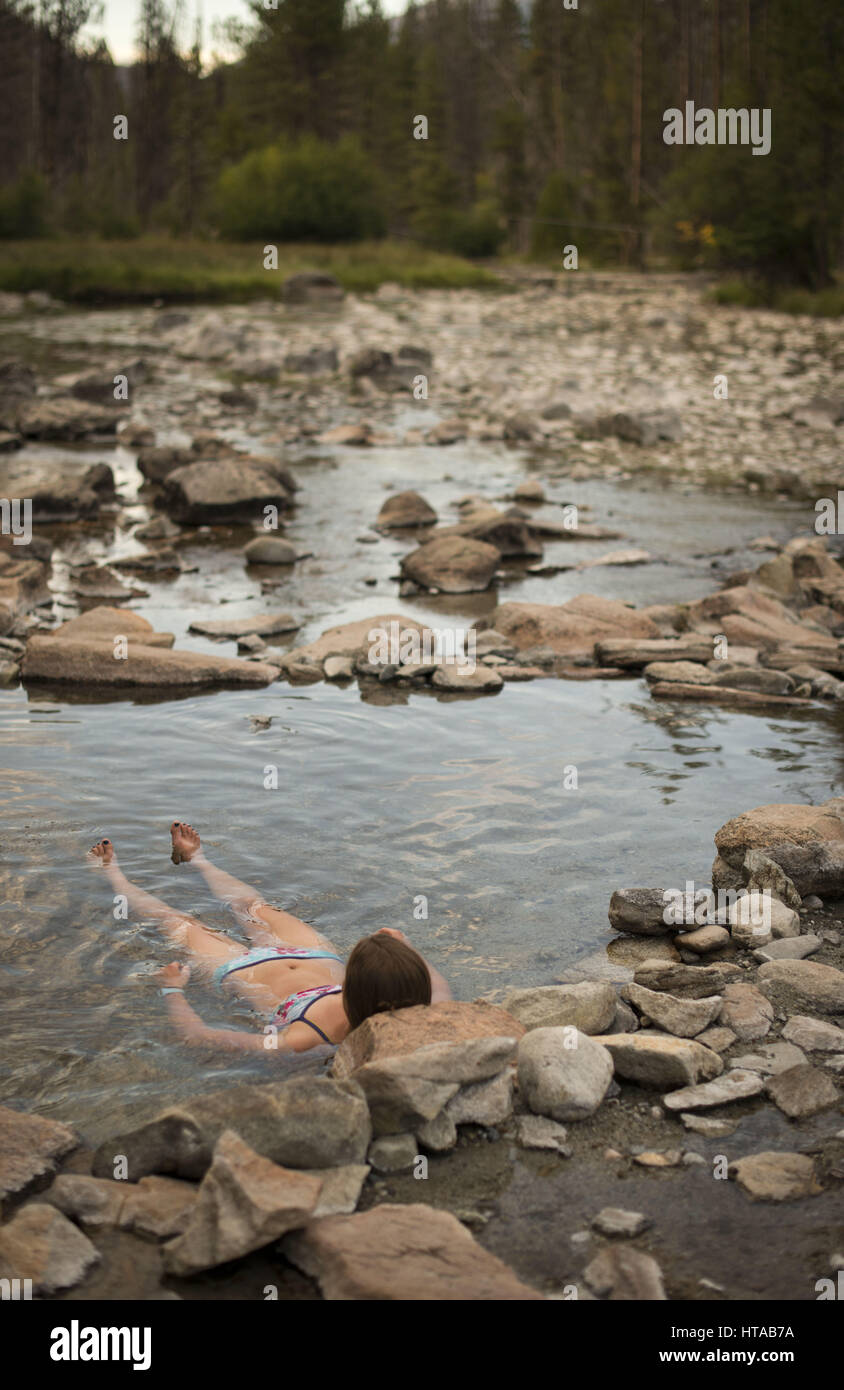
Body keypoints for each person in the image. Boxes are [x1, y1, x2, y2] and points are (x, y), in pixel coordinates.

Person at [87, 822, 451, 1053]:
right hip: (315, 957)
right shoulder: (425, 1007)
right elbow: (435, 981)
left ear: (355, 987)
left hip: (242, 971)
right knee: (253, 907)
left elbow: (199, 1037)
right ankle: (198, 860)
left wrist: (172, 990)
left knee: (178, 922)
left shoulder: (308, 1037)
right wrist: (402, 947)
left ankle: (114, 877)